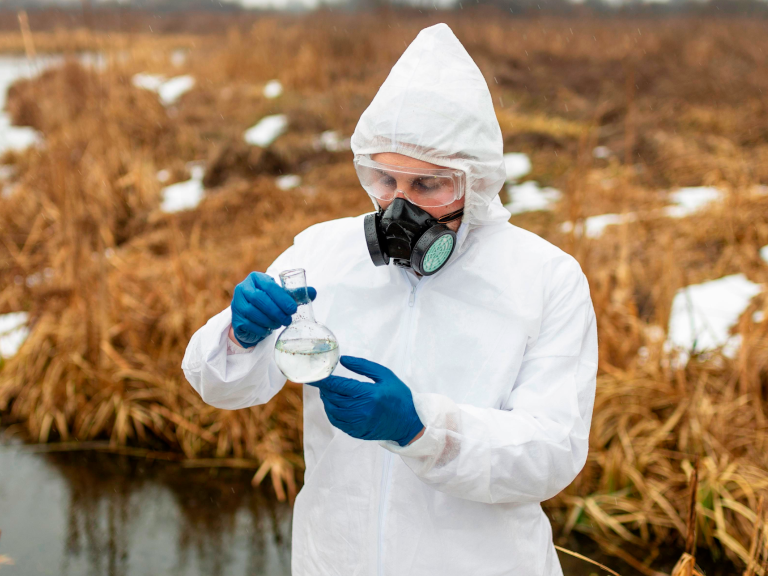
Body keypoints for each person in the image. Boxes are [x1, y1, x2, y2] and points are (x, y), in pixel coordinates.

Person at [183, 23, 598, 576]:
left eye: (428, 185)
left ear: (475, 183)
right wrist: (239, 336)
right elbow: (221, 387)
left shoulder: (544, 277)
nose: (398, 207)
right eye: (383, 179)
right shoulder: (327, 251)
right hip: (334, 559)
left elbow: (551, 453)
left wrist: (422, 430)